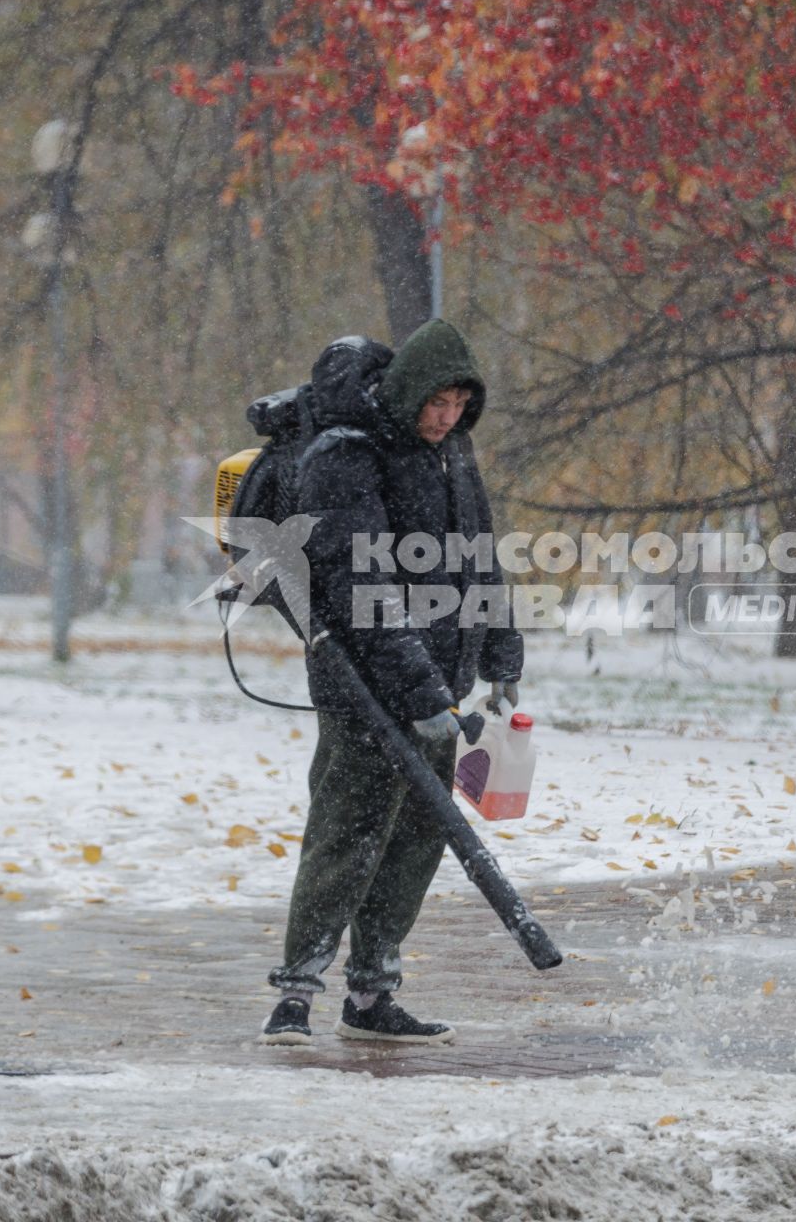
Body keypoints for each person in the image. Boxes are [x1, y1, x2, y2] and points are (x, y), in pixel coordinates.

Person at [259, 318, 522, 1046]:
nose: (446, 419)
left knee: (415, 842)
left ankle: (372, 995)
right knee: (349, 831)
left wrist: (501, 659)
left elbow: (479, 561)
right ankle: (295, 994)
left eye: (460, 406)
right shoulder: (347, 456)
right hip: (363, 684)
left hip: (438, 685)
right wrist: (420, 695)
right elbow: (359, 586)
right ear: (409, 392)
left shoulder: (452, 453)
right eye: (437, 404)